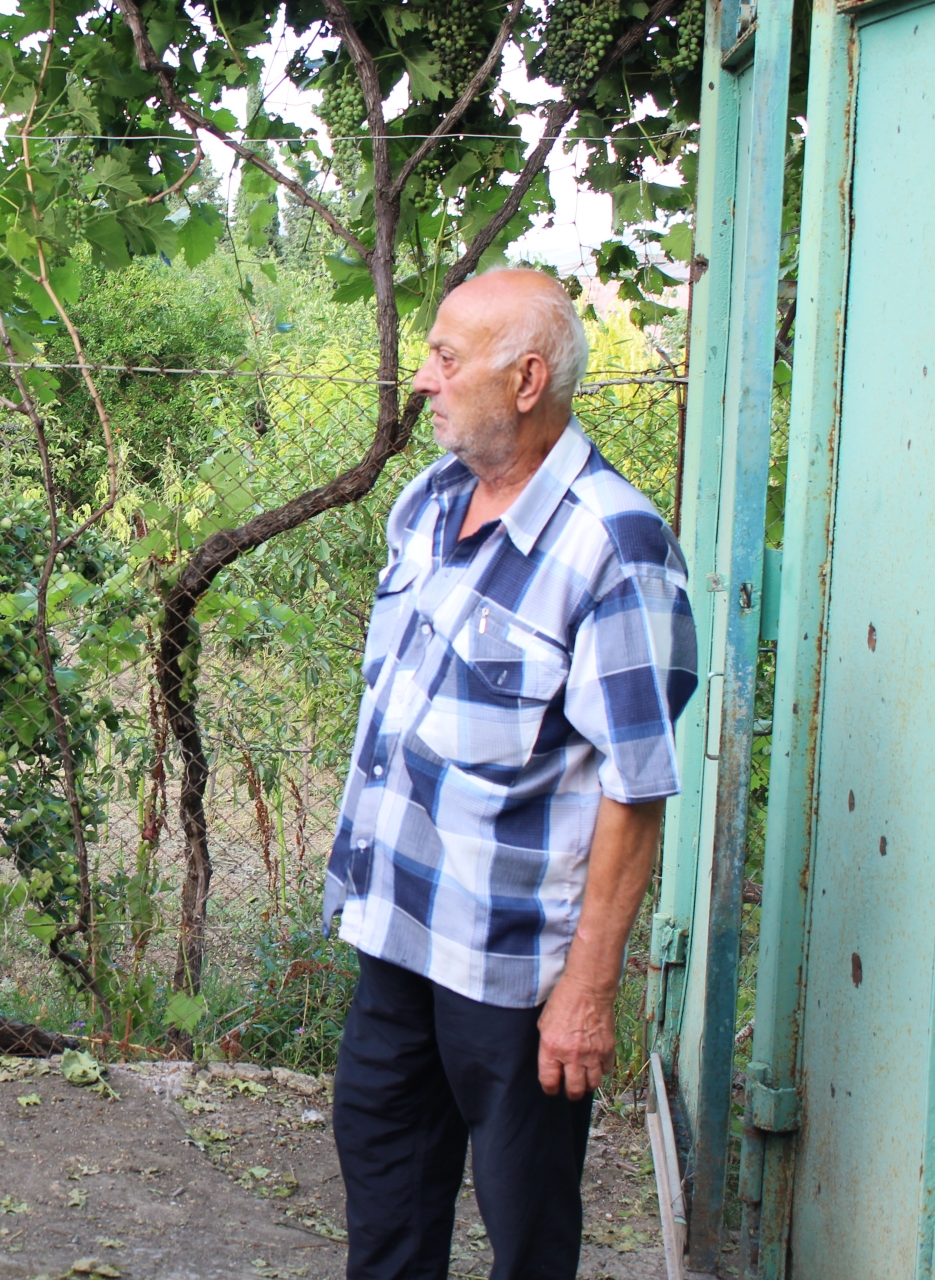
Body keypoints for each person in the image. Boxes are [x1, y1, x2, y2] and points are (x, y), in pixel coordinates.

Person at [323, 269, 698, 1280]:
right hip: (401, 927)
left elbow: (636, 788)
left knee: (523, 1220)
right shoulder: (430, 500)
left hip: (513, 967)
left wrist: (589, 987)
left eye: (446, 358)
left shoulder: (615, 548)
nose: (423, 379)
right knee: (383, 1169)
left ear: (527, 380)